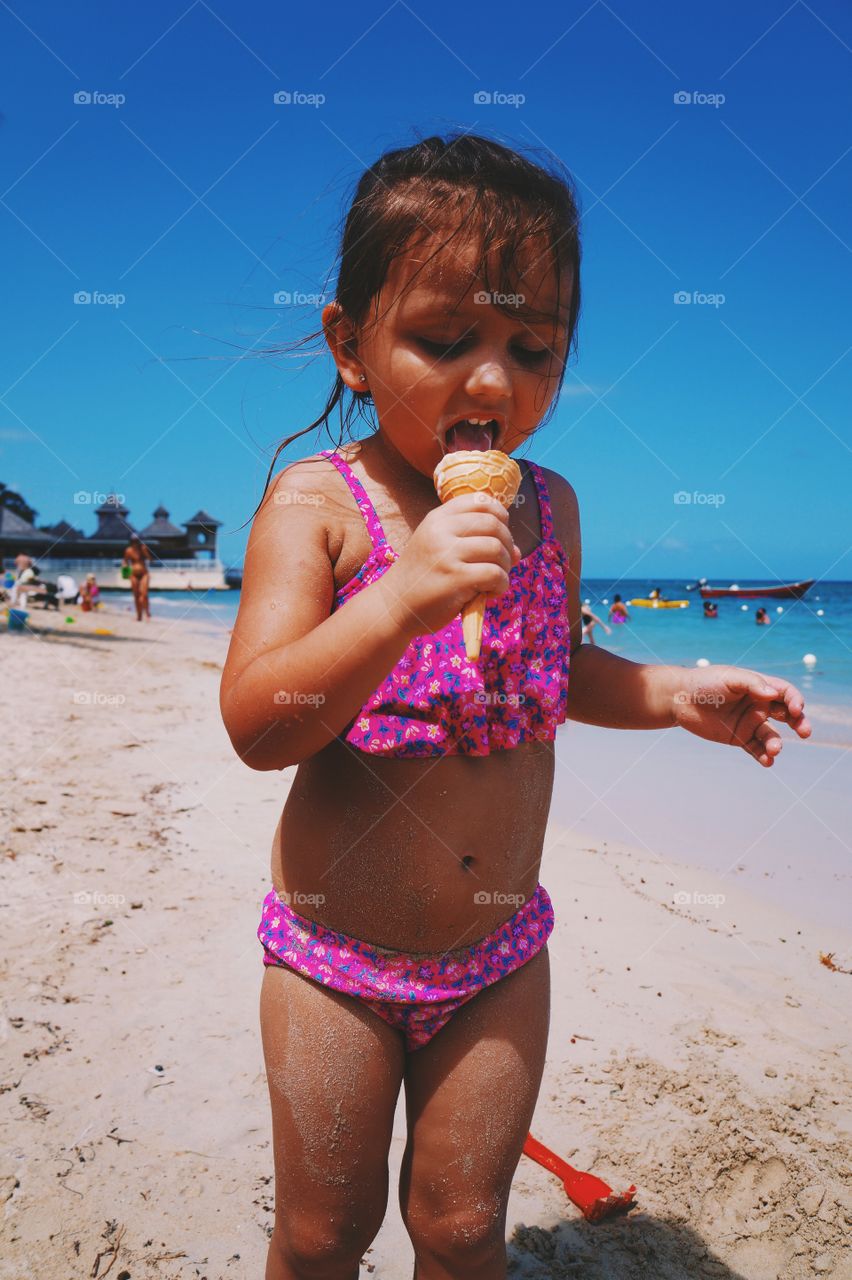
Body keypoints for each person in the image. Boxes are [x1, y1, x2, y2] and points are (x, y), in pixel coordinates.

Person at [219, 132, 813, 1280]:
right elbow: (259, 718)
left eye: (531, 347)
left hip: (498, 952)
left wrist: (682, 692)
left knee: (459, 1222)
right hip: (335, 958)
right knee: (321, 1230)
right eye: (444, 340)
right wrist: (399, 599)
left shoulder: (551, 508)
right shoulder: (319, 506)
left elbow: (558, 669)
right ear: (351, 344)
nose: (491, 379)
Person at [122, 533, 152, 621]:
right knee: (136, 595)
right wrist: (125, 570)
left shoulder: (143, 548)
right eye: (133, 541)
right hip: (133, 574)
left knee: (144, 594)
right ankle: (139, 615)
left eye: (137, 541)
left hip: (144, 574)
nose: (135, 543)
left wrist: (146, 552)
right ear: (131, 542)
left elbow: (150, 559)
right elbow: (125, 561)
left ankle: (147, 613)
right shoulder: (128, 550)